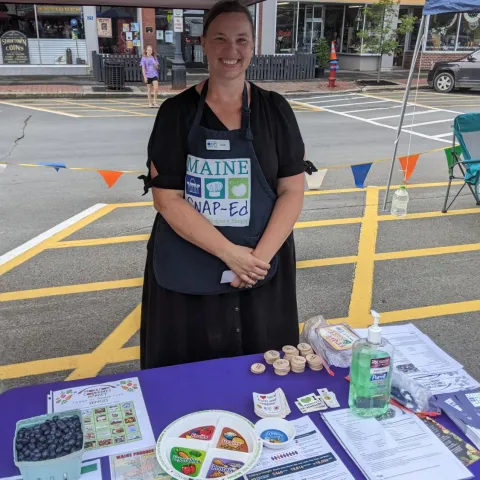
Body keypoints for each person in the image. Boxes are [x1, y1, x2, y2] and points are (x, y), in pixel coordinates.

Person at [139, 0, 306, 369]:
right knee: (187, 369)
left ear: (253, 45)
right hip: (189, 268)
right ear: (204, 43)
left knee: (263, 370)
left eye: (242, 40)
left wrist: (256, 260)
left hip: (260, 270)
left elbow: (292, 190)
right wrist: (230, 254)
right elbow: (167, 200)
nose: (232, 51)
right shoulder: (175, 113)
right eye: (221, 39)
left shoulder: (275, 110)